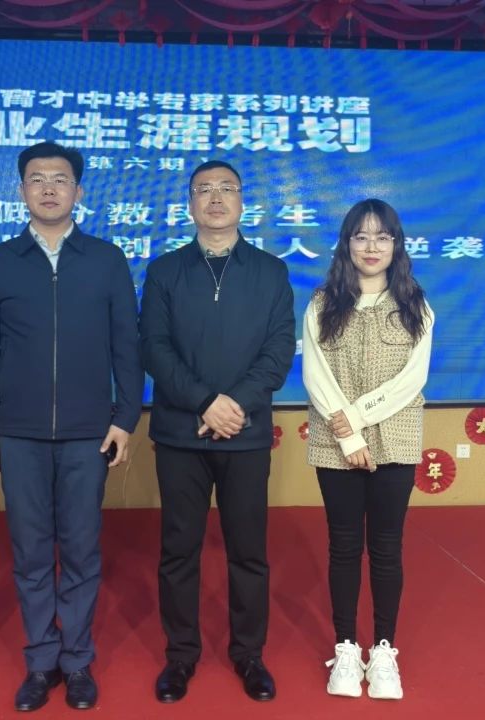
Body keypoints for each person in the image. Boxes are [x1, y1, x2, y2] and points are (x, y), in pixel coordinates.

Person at [0, 141, 142, 712]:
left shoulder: (106, 259)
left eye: (60, 179)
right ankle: (41, 661)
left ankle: (78, 660)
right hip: (18, 434)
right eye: (37, 179)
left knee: (83, 550)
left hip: (89, 434)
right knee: (32, 553)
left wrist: (125, 417)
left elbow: (127, 346)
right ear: (21, 191)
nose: (48, 188)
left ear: (78, 191)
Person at [139, 160, 295, 704]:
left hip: (245, 435)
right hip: (181, 434)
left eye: (226, 189)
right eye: (204, 190)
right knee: (178, 550)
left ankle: (249, 654)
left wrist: (234, 406)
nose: (215, 198)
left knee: (248, 552)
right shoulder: (165, 271)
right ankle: (180, 656)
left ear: (242, 201)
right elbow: (154, 348)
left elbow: (278, 352)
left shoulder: (271, 272)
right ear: (189, 204)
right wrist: (206, 402)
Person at [302, 198, 434, 701]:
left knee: (385, 547)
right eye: (361, 236)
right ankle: (345, 648)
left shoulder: (416, 306)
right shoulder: (322, 304)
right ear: (347, 244)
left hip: (396, 438)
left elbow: (411, 380)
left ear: (396, 245)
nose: (372, 246)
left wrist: (357, 418)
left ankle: (382, 651)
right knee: (342, 546)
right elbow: (316, 375)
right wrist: (349, 436)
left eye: (382, 236)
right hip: (336, 443)